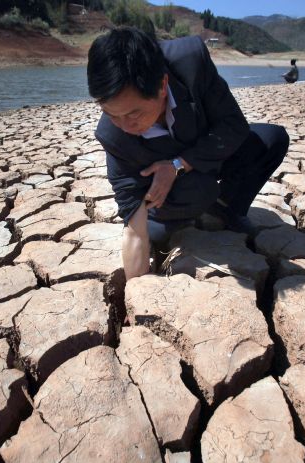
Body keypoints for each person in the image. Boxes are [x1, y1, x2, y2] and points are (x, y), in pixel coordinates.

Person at [87, 27, 289, 280]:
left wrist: (177, 164)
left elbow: (233, 125)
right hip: (168, 196)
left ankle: (227, 209)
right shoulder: (113, 136)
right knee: (194, 195)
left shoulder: (191, 62)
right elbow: (134, 231)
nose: (125, 126)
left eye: (134, 114)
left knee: (270, 140)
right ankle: (177, 219)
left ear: (162, 85)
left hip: (204, 149)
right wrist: (136, 296)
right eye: (111, 114)